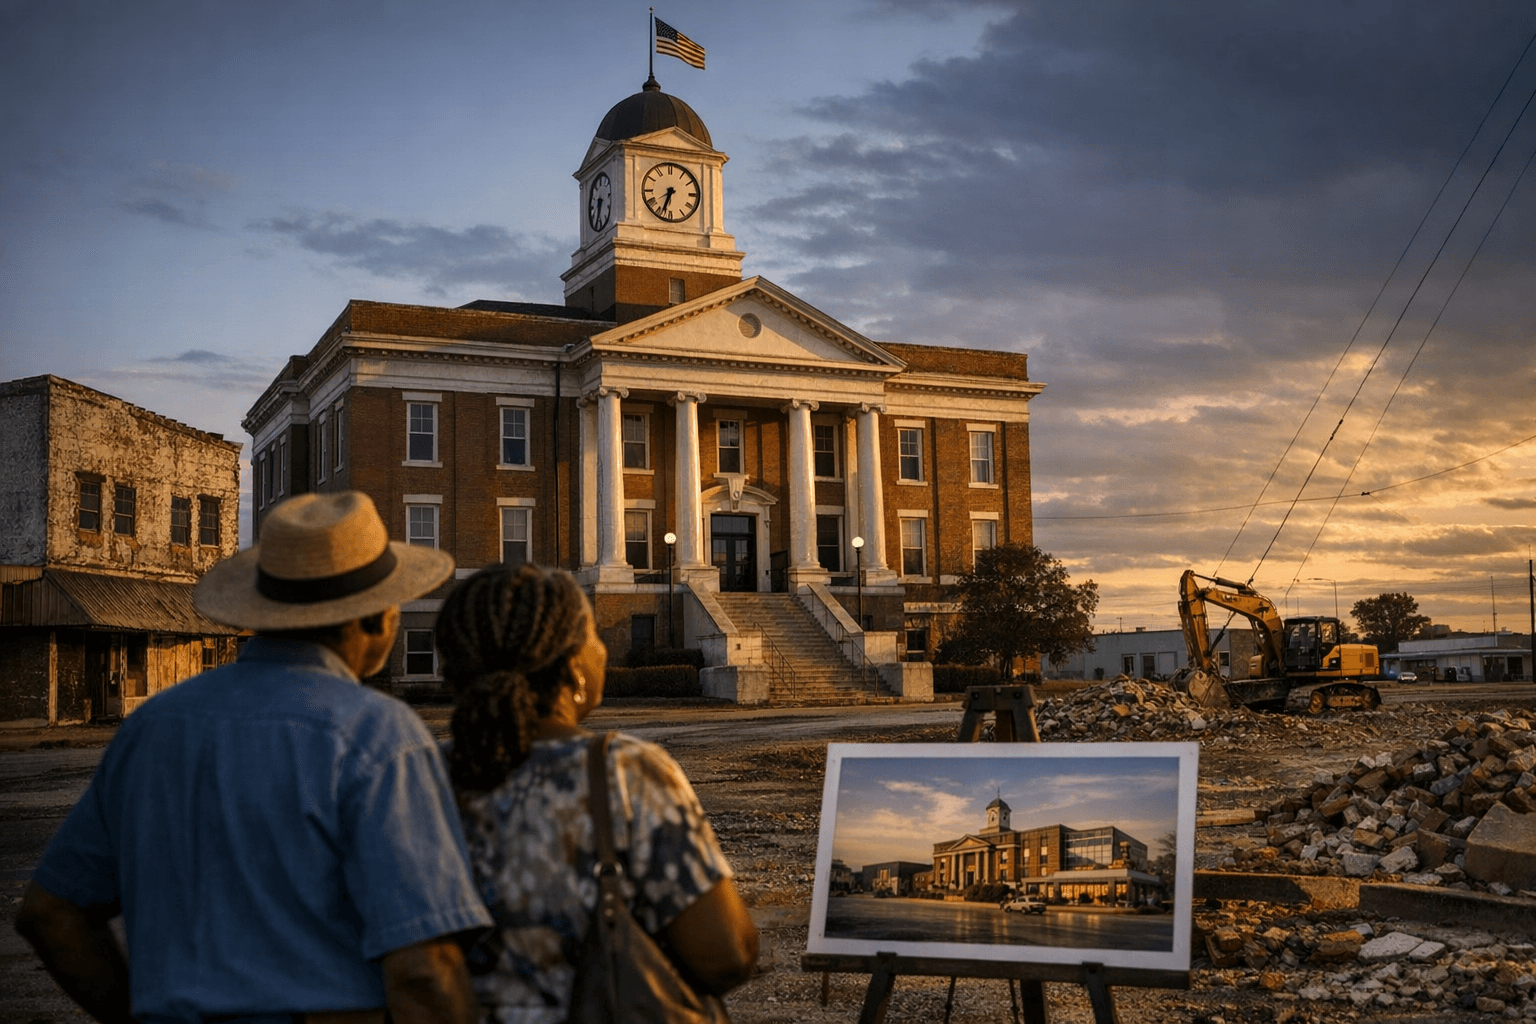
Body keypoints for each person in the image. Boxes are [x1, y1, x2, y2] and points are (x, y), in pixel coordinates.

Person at [16, 491, 493, 1024]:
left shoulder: (151, 728)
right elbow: (424, 968)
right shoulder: (377, 735)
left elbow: (50, 913)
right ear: (378, 618)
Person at [436, 562, 758, 1021]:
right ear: (573, 668)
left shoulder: (416, 777)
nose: (602, 650)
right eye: (593, 634)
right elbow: (726, 954)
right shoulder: (627, 771)